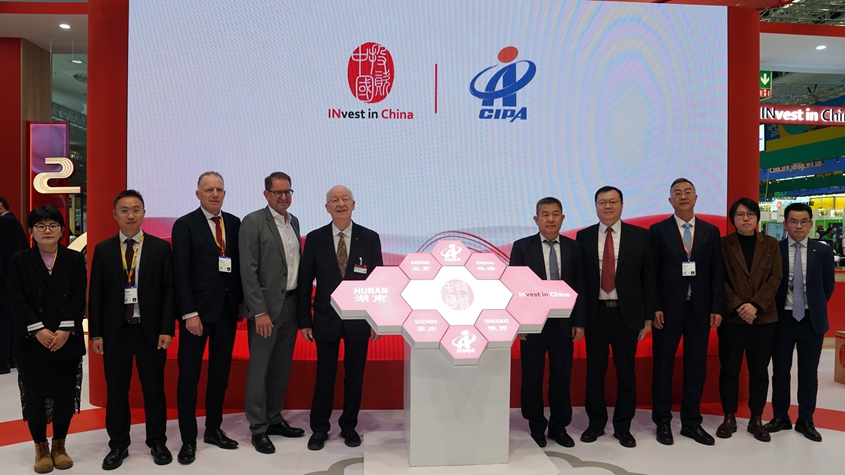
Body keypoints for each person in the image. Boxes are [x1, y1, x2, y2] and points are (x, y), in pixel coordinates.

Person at [89, 190, 176, 469]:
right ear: (115, 214)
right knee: (116, 392)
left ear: (144, 213)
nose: (130, 215)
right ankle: (118, 445)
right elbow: (96, 295)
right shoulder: (103, 249)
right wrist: (96, 333)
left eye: (136, 210)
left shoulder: (160, 248)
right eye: (124, 210)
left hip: (150, 331)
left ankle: (157, 442)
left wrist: (167, 329)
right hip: (116, 333)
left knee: (154, 391)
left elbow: (168, 293)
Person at [298, 185, 382, 451]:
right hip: (326, 318)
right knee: (325, 375)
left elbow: (377, 283)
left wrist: (376, 319)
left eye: (345, 199)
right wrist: (304, 320)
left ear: (353, 205)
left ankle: (348, 425)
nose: (340, 203)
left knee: (354, 375)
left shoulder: (370, 238)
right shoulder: (315, 238)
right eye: (334, 200)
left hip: (358, 319)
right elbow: (304, 282)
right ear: (327, 208)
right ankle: (319, 428)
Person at [6, 205, 86, 473]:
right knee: (35, 395)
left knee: (65, 393)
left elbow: (79, 296)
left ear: (62, 230)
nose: (47, 230)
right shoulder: (19, 260)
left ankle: (59, 446)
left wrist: (65, 330)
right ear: (31, 231)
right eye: (40, 226)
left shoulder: (74, 259)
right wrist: (38, 329)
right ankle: (40, 447)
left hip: (66, 339)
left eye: (53, 225)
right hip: (32, 340)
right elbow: (16, 298)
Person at [575, 186, 656, 448]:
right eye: (602, 202)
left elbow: (648, 278)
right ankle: (596, 424)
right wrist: (578, 317)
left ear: (622, 205)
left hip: (627, 315)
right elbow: (579, 280)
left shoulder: (639, 235)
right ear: (595, 206)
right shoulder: (584, 236)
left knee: (626, 374)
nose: (608, 206)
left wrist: (647, 316)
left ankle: (623, 427)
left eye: (613, 201)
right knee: (594, 373)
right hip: (596, 314)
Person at [172, 172, 243, 464]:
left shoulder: (235, 223)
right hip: (196, 315)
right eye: (209, 190)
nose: (215, 194)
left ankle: (213, 429)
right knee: (189, 379)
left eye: (219, 189)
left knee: (219, 376)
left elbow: (238, 268)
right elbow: (180, 272)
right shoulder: (185, 225)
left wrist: (240, 304)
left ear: (224, 194)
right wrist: (189, 313)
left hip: (226, 311)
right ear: (198, 194)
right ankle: (188, 439)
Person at [649, 178, 724, 446]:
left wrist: (716, 307)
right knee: (663, 367)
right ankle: (662, 422)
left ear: (696, 198)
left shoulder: (710, 231)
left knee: (696, 368)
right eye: (677, 193)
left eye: (687, 192)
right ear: (670, 200)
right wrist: (654, 306)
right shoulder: (658, 231)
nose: (683, 196)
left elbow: (717, 272)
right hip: (667, 310)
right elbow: (651, 272)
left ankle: (691, 422)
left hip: (699, 310)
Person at [509, 197, 586, 448]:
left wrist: (579, 321)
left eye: (555, 214)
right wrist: (518, 323)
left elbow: (581, 285)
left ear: (562, 218)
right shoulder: (522, 247)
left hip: (564, 324)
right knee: (532, 377)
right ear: (536, 219)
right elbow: (514, 286)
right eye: (545, 214)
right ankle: (536, 427)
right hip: (532, 325)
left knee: (561, 378)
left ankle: (559, 427)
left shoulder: (574, 248)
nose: (550, 219)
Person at [239, 172, 305, 454]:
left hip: (290, 306)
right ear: (266, 194)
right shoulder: (253, 222)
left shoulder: (294, 222)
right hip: (266, 310)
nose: (283, 197)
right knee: (259, 369)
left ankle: (274, 418)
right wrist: (259, 312)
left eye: (288, 192)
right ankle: (258, 428)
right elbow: (248, 270)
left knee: (280, 368)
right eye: (278, 192)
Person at [764, 202, 835, 442]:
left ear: (811, 224)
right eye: (793, 221)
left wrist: (812, 305)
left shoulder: (822, 251)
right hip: (782, 319)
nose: (799, 226)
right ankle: (780, 417)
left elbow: (827, 286)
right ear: (785, 224)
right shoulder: (775, 249)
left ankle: (806, 419)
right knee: (780, 372)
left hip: (810, 320)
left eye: (804, 221)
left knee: (808, 373)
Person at [717, 198, 782, 443]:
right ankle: (729, 417)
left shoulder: (771, 243)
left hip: (763, 318)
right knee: (729, 370)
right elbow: (719, 279)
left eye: (750, 214)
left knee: (759, 371)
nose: (745, 218)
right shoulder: (723, 244)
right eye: (740, 214)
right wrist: (738, 305)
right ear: (732, 219)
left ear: (757, 218)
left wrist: (755, 305)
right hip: (732, 320)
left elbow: (775, 277)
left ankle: (756, 418)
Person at [0, 196, 29, 375]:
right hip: (9, 277)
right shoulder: (13, 222)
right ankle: (10, 357)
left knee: (3, 318)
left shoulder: (5, 222)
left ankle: (3, 359)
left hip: (4, 277)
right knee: (8, 316)